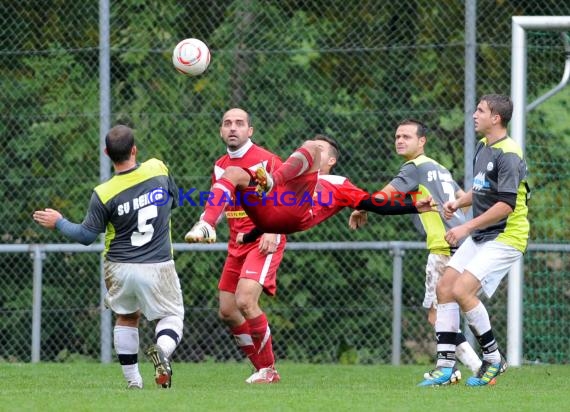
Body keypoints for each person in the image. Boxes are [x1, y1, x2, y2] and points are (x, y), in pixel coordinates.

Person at [32, 125, 183, 389]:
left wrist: (59, 221)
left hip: (119, 266)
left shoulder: (103, 193)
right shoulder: (158, 169)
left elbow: (86, 235)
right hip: (157, 263)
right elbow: (175, 201)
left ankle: (134, 383)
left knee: (126, 317)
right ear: (134, 149)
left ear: (106, 153)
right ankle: (162, 350)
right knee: (171, 317)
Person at [348, 119, 483, 382]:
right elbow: (464, 201)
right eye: (397, 136)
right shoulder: (439, 167)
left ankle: (476, 367)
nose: (400, 140)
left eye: (407, 137)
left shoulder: (415, 167)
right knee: (447, 312)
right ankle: (454, 369)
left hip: (444, 248)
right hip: (463, 245)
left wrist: (361, 206)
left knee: (437, 316)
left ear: (422, 142)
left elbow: (385, 195)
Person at [418, 94, 530, 387]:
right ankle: (445, 368)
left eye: (480, 111)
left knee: (462, 289)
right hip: (483, 234)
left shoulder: (509, 154)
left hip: (506, 235)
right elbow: (483, 190)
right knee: (445, 287)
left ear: (496, 118)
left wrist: (465, 227)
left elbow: (505, 205)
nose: (474, 115)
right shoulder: (483, 148)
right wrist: (460, 201)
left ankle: (493, 359)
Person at [185, 135, 434, 249]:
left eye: (322, 150)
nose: (316, 151)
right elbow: (271, 218)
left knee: (304, 149)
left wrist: (413, 206)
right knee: (234, 173)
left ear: (331, 161)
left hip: (296, 214)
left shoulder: (339, 184)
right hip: (271, 214)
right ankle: (206, 224)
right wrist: (249, 237)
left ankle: (272, 180)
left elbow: (374, 203)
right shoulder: (295, 172)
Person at [194, 108, 286, 384]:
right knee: (228, 310)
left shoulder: (267, 160)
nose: (233, 128)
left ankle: (268, 370)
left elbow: (286, 199)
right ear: (221, 131)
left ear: (250, 131)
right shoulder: (220, 164)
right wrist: (206, 223)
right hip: (238, 242)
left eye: (239, 123)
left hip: (264, 238)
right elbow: (220, 203)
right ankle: (262, 368)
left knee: (246, 300)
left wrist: (271, 228)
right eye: (227, 124)